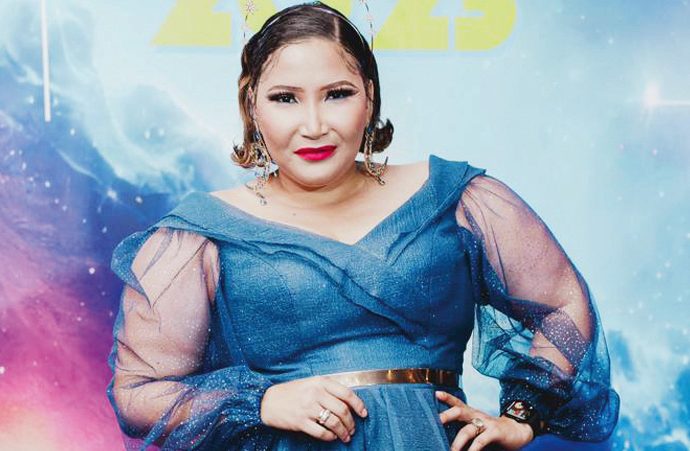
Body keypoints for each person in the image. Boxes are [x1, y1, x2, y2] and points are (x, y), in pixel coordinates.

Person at [105, 2, 619, 450]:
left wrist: (521, 418)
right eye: (285, 98)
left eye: (337, 94)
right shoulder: (199, 235)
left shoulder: (458, 199)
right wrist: (263, 403)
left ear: (369, 98)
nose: (314, 125)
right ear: (251, 103)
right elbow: (138, 394)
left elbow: (563, 304)